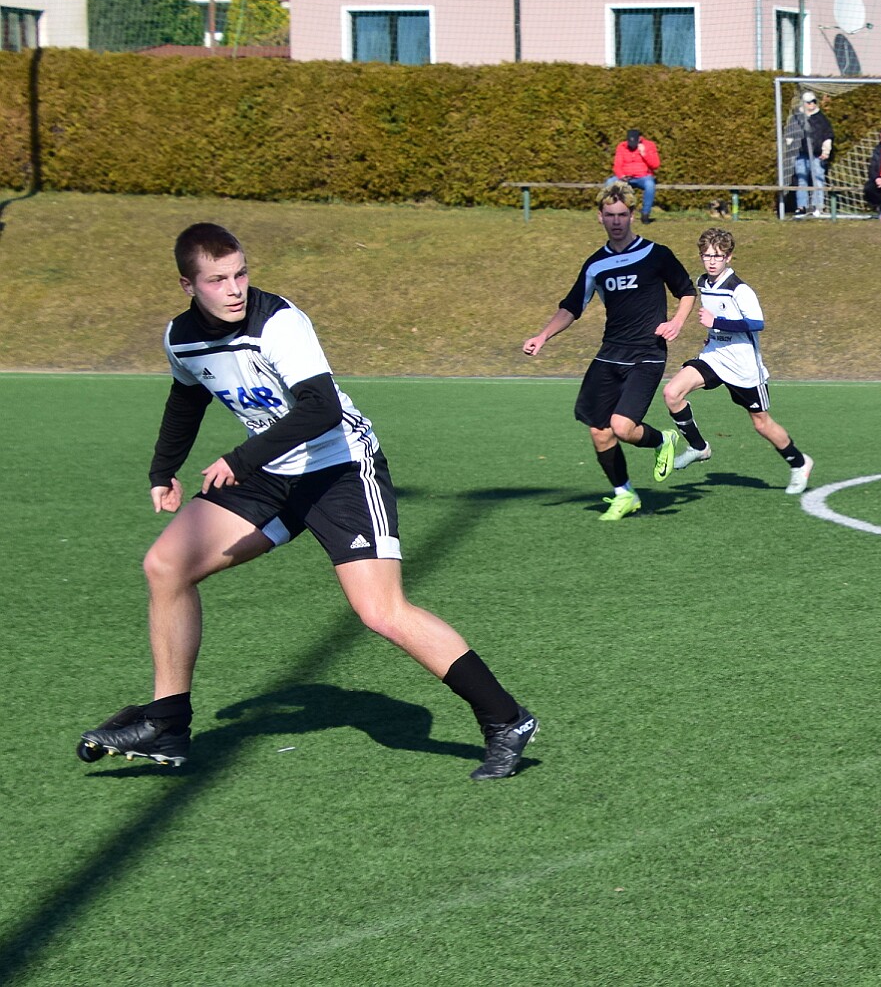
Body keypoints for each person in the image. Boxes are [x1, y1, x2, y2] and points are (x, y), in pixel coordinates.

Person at [76, 223, 538, 781]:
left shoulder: (279, 322)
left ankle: (506, 719)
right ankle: (168, 721)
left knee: (381, 612)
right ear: (187, 285)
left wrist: (240, 459)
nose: (234, 289)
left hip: (339, 468)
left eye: (241, 273)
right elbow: (187, 396)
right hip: (270, 472)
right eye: (217, 280)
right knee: (166, 566)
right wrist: (162, 469)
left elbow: (321, 408)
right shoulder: (181, 337)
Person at [521, 181, 696, 521]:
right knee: (599, 431)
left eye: (622, 215)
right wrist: (543, 336)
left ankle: (663, 440)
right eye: (610, 215)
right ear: (600, 217)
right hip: (610, 353)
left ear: (632, 216)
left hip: (647, 353)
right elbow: (572, 307)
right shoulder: (596, 264)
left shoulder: (656, 254)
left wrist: (677, 322)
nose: (617, 221)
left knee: (622, 427)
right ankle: (624, 494)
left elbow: (686, 291)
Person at [659, 228, 814, 494]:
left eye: (717, 256)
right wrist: (712, 334)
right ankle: (698, 447)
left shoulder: (739, 289)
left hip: (743, 366)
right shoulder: (703, 282)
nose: (711, 261)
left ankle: (799, 463)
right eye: (707, 255)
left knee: (761, 423)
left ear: (728, 257)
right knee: (672, 393)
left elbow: (756, 323)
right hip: (714, 356)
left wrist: (716, 322)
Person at [786, 91, 835, 218]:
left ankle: (818, 206)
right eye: (808, 102)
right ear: (803, 103)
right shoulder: (796, 118)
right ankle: (801, 206)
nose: (811, 104)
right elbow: (790, 135)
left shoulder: (821, 118)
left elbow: (827, 135)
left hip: (817, 154)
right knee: (802, 179)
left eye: (813, 101)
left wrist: (826, 151)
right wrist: (791, 148)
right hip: (801, 154)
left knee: (818, 178)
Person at [607, 128, 660, 224]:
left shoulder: (649, 145)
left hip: (643, 176)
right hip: (626, 176)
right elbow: (617, 165)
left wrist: (644, 154)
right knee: (609, 182)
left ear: (639, 139)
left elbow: (655, 165)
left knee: (650, 185)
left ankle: (645, 214)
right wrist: (621, 175)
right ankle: (611, 212)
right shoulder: (622, 146)